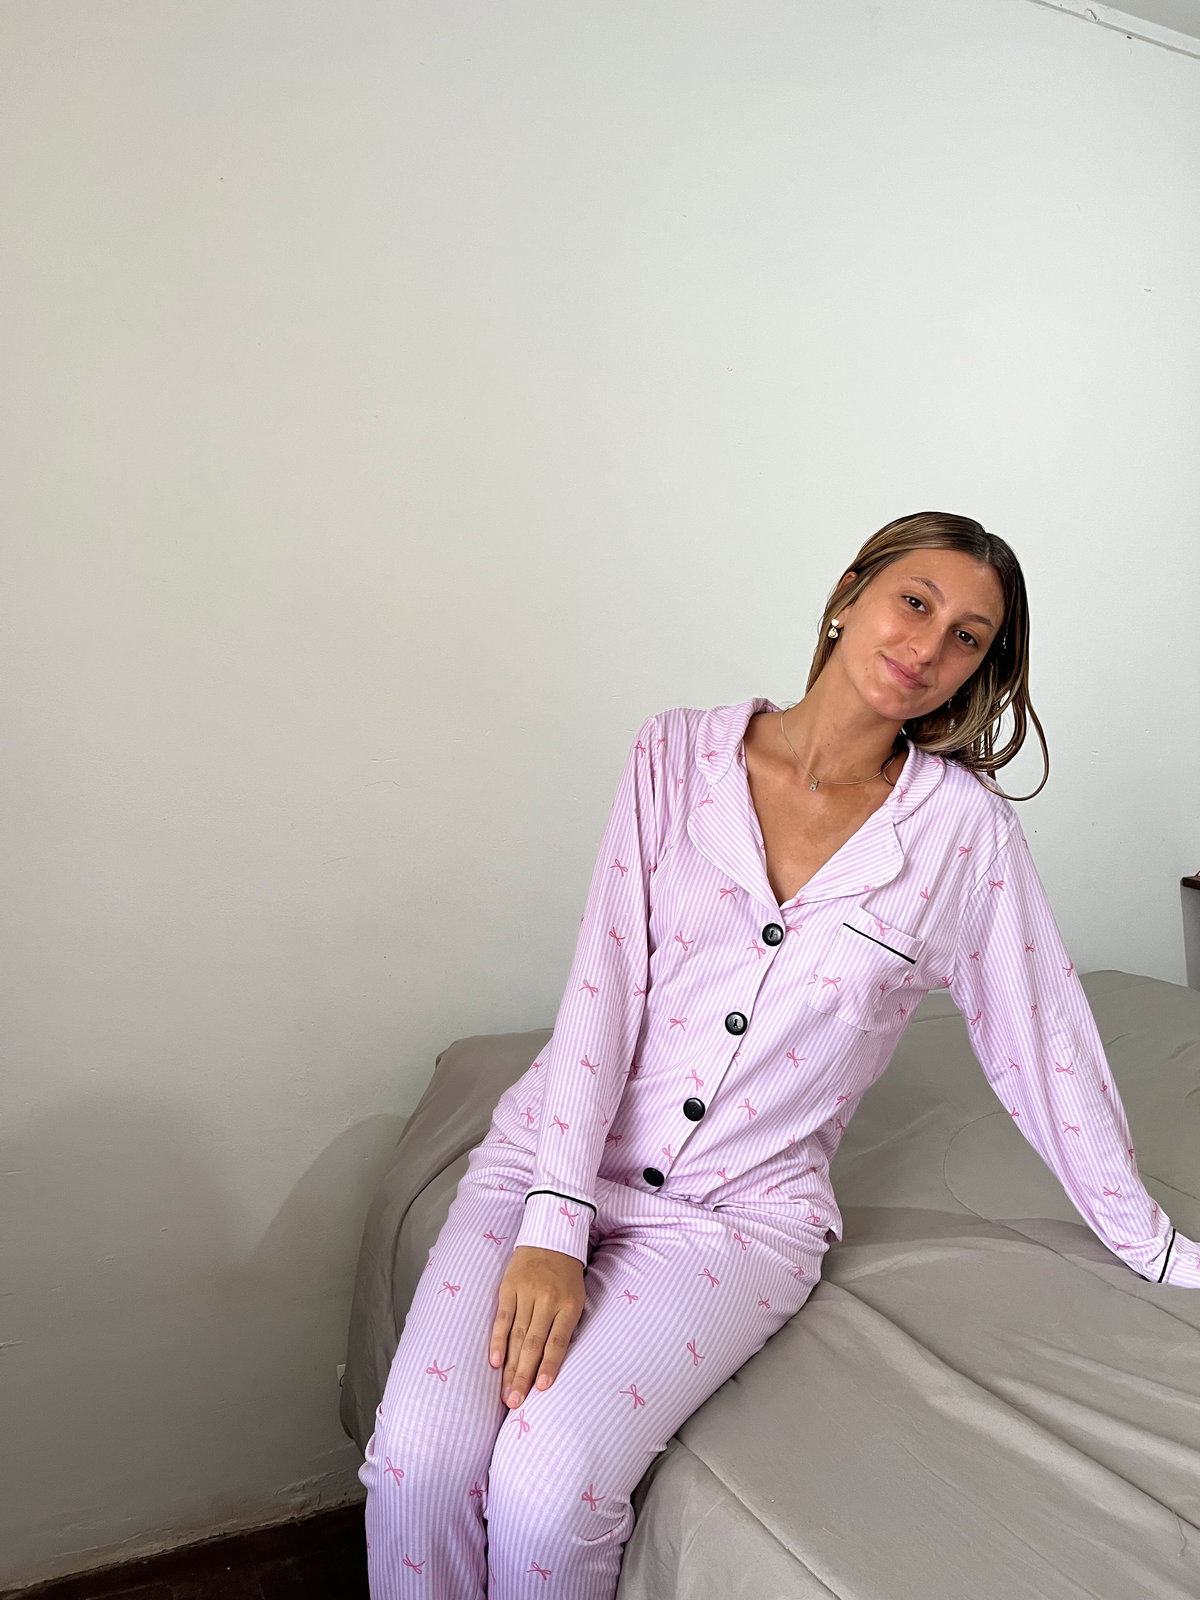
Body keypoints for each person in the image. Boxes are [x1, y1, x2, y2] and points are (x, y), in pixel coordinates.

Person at [358, 511, 1197, 1599]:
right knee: (417, 1463)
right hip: (544, 1161)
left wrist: (1155, 1246)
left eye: (968, 637)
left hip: (741, 1218)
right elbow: (602, 990)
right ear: (848, 594)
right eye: (914, 602)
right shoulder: (675, 755)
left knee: (547, 1490)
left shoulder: (964, 838)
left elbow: (1046, 1042)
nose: (929, 646)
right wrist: (554, 1223)